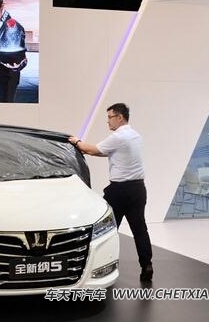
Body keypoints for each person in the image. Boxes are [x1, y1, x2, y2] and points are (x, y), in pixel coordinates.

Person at [68, 103, 153, 282]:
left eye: (110, 117)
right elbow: (106, 153)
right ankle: (147, 265)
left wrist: (76, 141)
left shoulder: (119, 137)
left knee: (107, 230)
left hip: (119, 191)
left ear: (120, 118)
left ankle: (102, 268)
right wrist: (89, 151)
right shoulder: (135, 136)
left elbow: (92, 149)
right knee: (140, 229)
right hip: (138, 189)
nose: (108, 121)